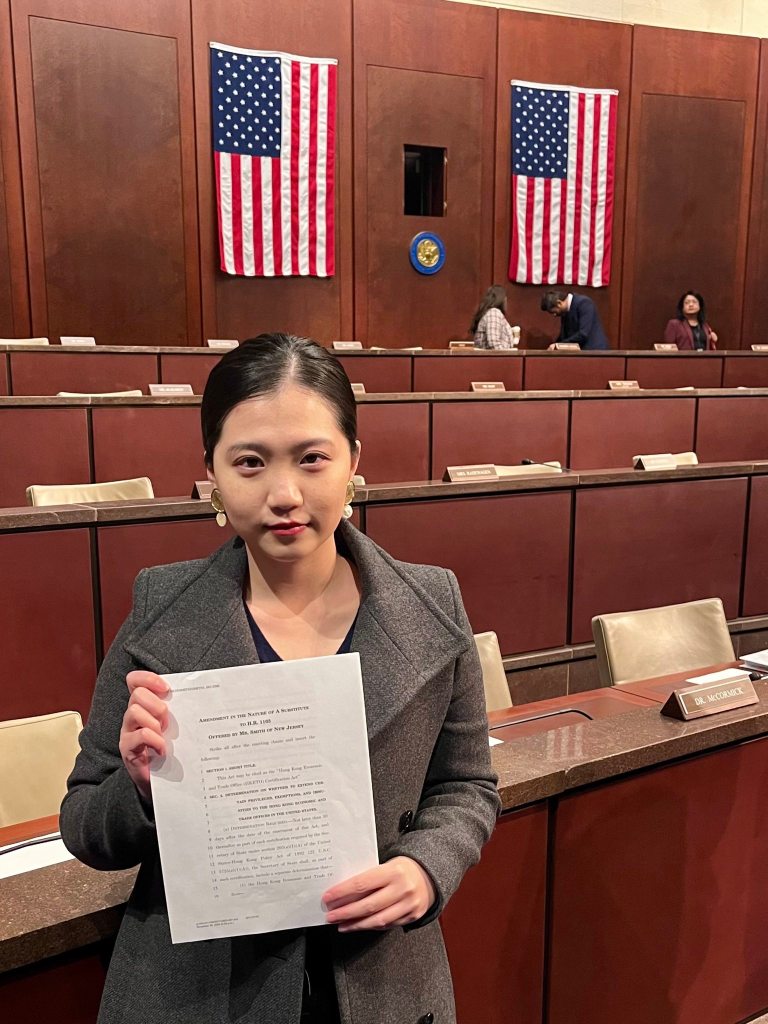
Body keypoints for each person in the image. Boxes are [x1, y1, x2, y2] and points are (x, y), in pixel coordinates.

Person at [60, 332, 500, 1024]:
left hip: (379, 979)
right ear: (211, 475)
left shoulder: (432, 604)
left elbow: (467, 783)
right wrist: (141, 787)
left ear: (353, 461)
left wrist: (425, 869)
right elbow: (85, 824)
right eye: (250, 463)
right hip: (198, 990)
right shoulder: (161, 613)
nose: (284, 494)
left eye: (312, 459)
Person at [540, 290, 610, 350]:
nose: (554, 315)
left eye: (553, 312)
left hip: (595, 352)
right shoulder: (565, 311)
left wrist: (558, 345)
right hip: (580, 355)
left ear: (559, 303)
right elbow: (564, 337)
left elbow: (583, 334)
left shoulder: (584, 303)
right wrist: (554, 346)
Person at [470, 285, 517, 349]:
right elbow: (493, 342)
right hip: (495, 358)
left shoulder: (490, 312)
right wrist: (507, 355)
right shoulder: (493, 313)